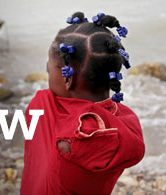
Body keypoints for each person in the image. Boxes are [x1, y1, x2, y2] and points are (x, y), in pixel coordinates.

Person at [21, 12, 145, 194]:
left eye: (50, 64)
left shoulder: (46, 110)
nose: (47, 67)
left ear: (67, 78)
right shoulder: (126, 123)